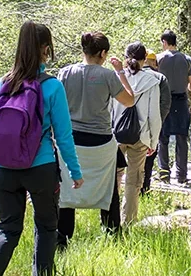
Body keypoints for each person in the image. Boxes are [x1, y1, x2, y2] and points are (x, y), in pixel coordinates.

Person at [0, 21, 83, 276]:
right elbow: (64, 136)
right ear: (45, 48)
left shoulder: (1, 84)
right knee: (46, 228)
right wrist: (75, 172)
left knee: (7, 228)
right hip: (40, 168)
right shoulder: (52, 86)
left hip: (4, 168)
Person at [56, 32, 134, 248]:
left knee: (66, 188)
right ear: (103, 53)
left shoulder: (64, 73)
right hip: (100, 141)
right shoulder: (108, 75)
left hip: (69, 141)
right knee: (109, 188)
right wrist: (120, 72)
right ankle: (112, 233)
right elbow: (129, 100)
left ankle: (62, 238)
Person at [111, 42, 163, 223]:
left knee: (114, 178)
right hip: (140, 136)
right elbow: (154, 116)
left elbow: (109, 109)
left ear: (126, 58)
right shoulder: (152, 82)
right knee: (134, 181)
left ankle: (112, 221)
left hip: (116, 135)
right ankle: (129, 221)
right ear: (144, 60)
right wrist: (153, 142)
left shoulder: (116, 78)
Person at [156, 31, 191, 184]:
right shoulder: (187, 60)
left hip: (164, 100)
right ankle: (181, 175)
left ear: (164, 42)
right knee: (182, 137)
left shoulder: (158, 59)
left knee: (163, 137)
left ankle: (164, 173)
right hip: (181, 100)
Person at [140, 50, 171, 194]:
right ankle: (145, 188)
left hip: (131, 126)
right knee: (149, 156)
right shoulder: (160, 78)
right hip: (152, 123)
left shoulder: (128, 75)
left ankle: (132, 191)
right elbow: (165, 104)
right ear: (153, 61)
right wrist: (158, 122)